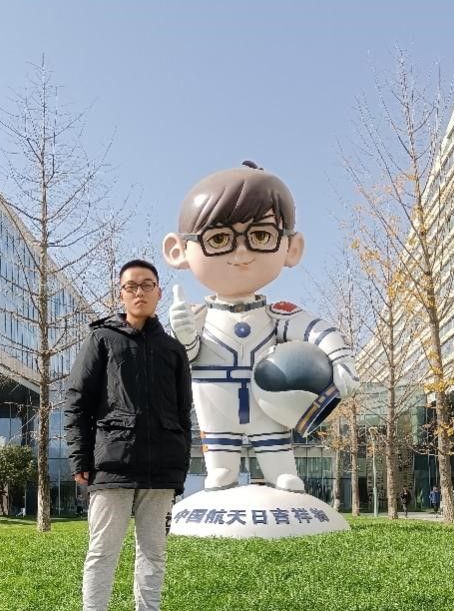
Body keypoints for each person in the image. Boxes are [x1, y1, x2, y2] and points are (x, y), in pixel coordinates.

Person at [163, 163, 359, 492]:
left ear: (291, 248)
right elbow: (185, 358)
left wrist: (340, 358)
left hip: (267, 395)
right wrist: (184, 336)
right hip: (215, 396)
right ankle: (221, 468)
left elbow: (317, 330)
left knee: (274, 444)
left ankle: (279, 470)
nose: (241, 253)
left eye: (261, 236)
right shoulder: (197, 315)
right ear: (178, 250)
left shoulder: (277, 314)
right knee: (220, 459)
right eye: (219, 238)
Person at [64, 259, 193, 611]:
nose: (139, 292)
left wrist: (179, 467)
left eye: (147, 285)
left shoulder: (174, 351)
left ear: (159, 292)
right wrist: (80, 458)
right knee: (102, 552)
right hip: (112, 467)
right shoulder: (102, 339)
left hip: (161, 471)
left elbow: (184, 413)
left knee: (154, 553)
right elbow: (77, 402)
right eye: (131, 286)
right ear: (121, 294)